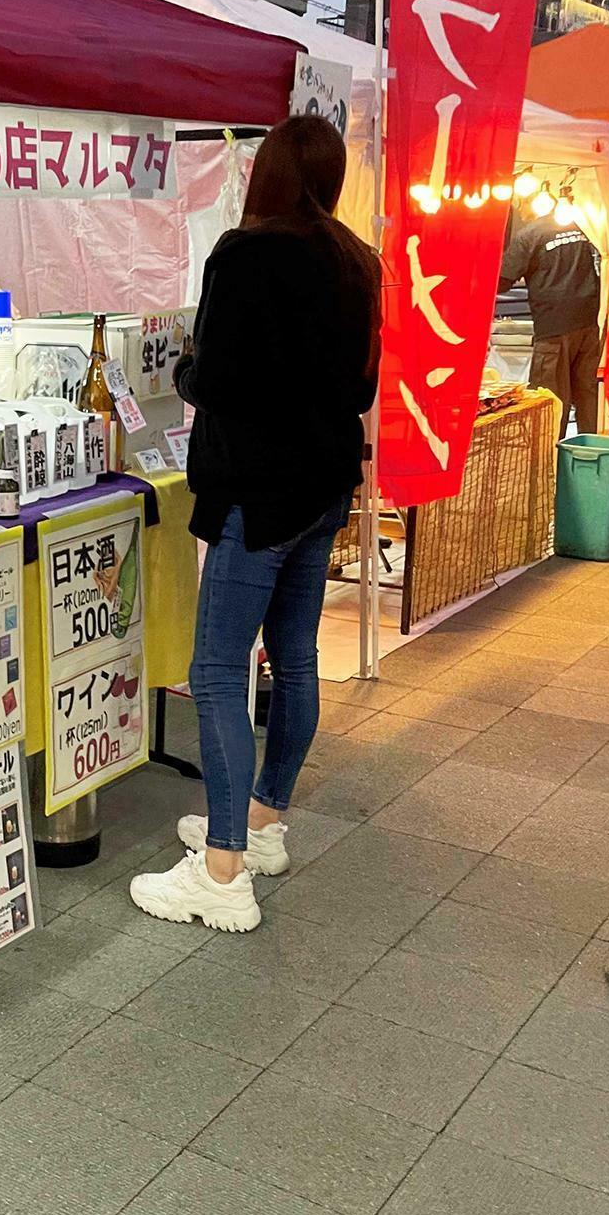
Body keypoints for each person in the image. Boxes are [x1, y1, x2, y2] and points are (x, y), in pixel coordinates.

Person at [130, 115, 382, 932]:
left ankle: (222, 870)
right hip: (321, 491)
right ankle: (264, 822)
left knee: (215, 671)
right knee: (296, 661)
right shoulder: (358, 261)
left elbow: (218, 378)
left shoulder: (246, 254)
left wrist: (186, 369)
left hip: (256, 495)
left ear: (264, 174)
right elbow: (359, 387)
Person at [499, 196, 603, 435]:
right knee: (587, 393)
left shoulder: (530, 235)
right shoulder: (584, 226)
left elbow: (502, 281)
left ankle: (549, 459)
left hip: (554, 329)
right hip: (590, 322)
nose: (520, 210)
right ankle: (591, 454)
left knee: (550, 398)